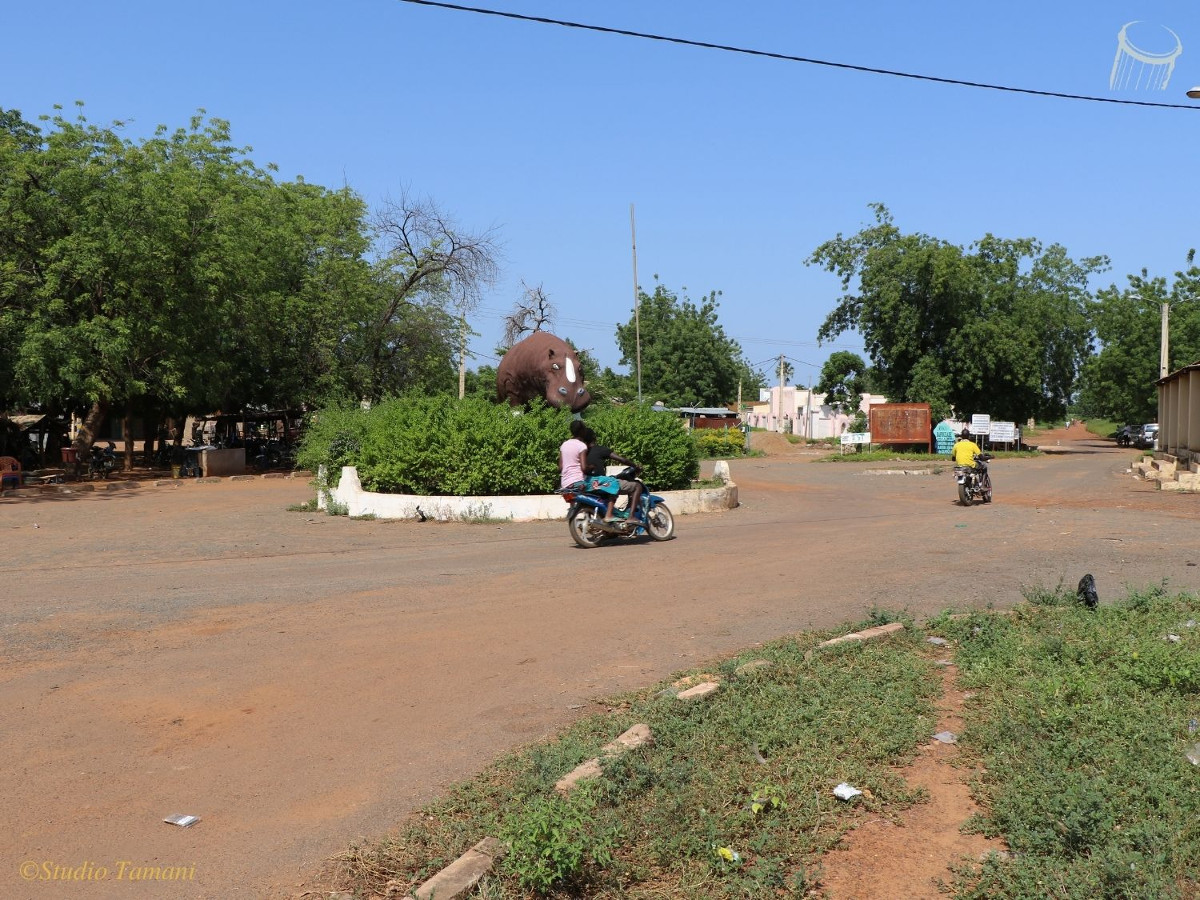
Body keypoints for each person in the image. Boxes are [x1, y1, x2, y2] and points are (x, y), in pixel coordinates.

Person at [583, 430, 642, 523]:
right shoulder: (600, 449)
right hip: (600, 483)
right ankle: (631, 517)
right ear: (594, 438)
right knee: (637, 486)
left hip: (588, 484)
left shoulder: (582, 453)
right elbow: (621, 459)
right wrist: (635, 466)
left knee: (611, 481)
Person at [558, 419, 589, 491]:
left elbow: (560, 468)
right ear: (581, 431)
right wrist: (591, 467)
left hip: (565, 484)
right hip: (579, 482)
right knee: (606, 484)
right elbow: (584, 468)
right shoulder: (581, 445)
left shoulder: (564, 445)